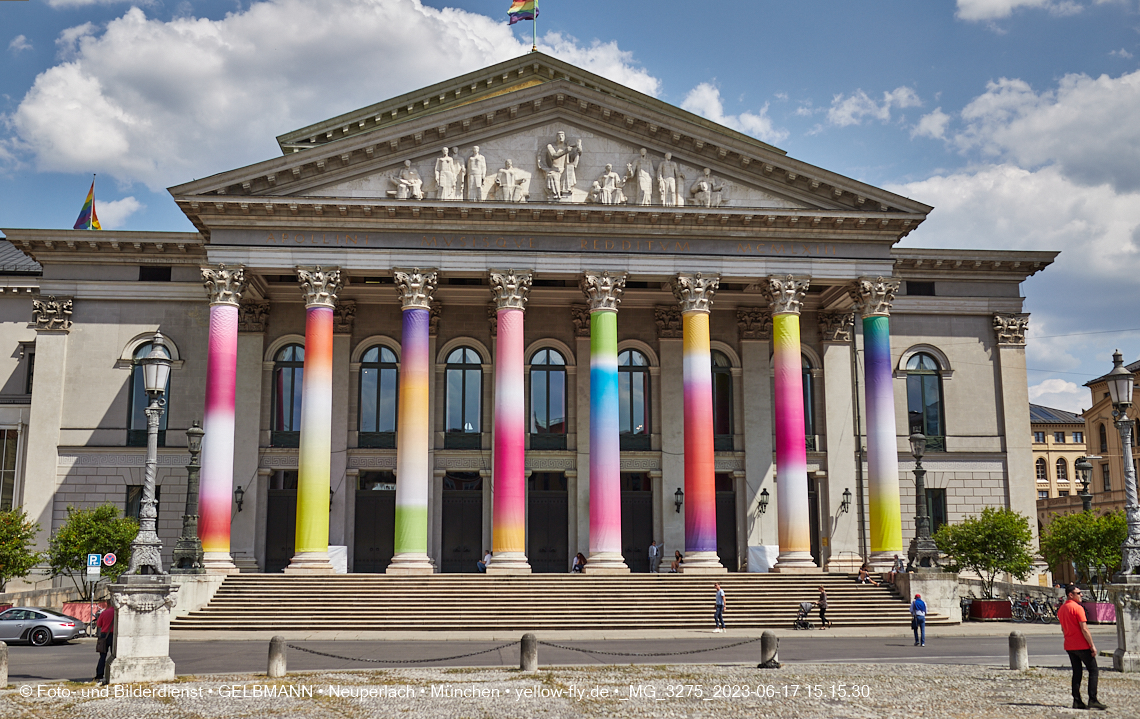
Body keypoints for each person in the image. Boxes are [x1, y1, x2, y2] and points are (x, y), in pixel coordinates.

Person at [1059, 583, 1107, 710]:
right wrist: (1092, 645)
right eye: (1078, 593)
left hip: (1069, 645)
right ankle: (1093, 699)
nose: (1081, 595)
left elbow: (1063, 628)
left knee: (1077, 672)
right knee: (1093, 671)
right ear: (1071, 595)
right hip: (1081, 644)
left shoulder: (1062, 609)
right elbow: (1084, 629)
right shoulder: (1078, 608)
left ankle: (1077, 700)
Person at [94, 603, 115, 683]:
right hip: (114, 635)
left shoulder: (104, 613)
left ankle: (99, 675)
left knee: (102, 656)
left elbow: (99, 624)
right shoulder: (118, 613)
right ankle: (112, 674)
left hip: (104, 635)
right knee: (115, 656)